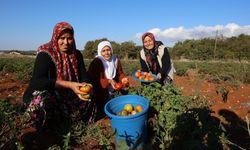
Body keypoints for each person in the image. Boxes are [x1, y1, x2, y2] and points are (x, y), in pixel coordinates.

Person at [22, 22, 96, 130]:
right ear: (55, 37)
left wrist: (86, 85)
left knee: (90, 97)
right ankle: (48, 130)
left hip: (68, 93)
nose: (66, 42)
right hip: (49, 91)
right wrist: (69, 85)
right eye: (62, 38)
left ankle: (71, 123)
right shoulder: (45, 53)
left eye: (69, 38)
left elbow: (84, 76)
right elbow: (38, 81)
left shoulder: (77, 54)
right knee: (43, 103)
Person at [87, 41, 128, 120]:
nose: (107, 53)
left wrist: (123, 79)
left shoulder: (115, 60)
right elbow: (94, 80)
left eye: (108, 50)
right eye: (103, 50)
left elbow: (120, 73)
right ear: (100, 52)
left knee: (114, 107)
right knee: (103, 110)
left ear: (111, 50)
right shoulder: (97, 62)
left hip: (113, 89)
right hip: (100, 90)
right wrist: (108, 81)